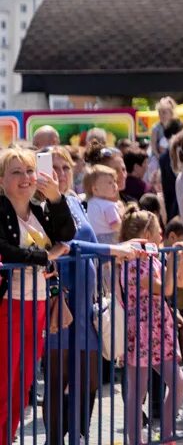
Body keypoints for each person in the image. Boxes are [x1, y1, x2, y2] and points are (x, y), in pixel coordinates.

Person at [42, 146, 143, 445]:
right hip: (60, 305)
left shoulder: (73, 200)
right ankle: (56, 441)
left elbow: (92, 242)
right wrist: (114, 250)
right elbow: (68, 246)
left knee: (89, 380)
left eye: (65, 167)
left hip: (86, 307)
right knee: (58, 382)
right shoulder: (41, 205)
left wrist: (124, 248)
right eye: (54, 167)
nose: (60, 173)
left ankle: (80, 436)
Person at [0, 147, 75, 444]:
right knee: (4, 384)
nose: (25, 178)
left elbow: (66, 234)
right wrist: (45, 256)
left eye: (29, 171)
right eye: (16, 172)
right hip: (8, 306)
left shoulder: (39, 209)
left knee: (23, 385)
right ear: (2, 179)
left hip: (39, 304)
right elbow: (4, 248)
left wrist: (56, 197)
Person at [118, 207, 183, 445]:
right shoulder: (132, 263)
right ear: (145, 233)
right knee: (138, 392)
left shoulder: (150, 258)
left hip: (159, 326)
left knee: (179, 381)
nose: (162, 233)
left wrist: (181, 258)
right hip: (140, 328)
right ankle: (135, 441)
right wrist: (172, 258)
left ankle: (167, 435)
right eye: (158, 230)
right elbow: (166, 288)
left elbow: (177, 282)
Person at [83, 165, 123, 245]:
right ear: (95, 189)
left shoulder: (89, 203)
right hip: (110, 241)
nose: (114, 185)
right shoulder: (109, 206)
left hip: (93, 241)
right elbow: (116, 225)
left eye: (114, 181)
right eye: (109, 183)